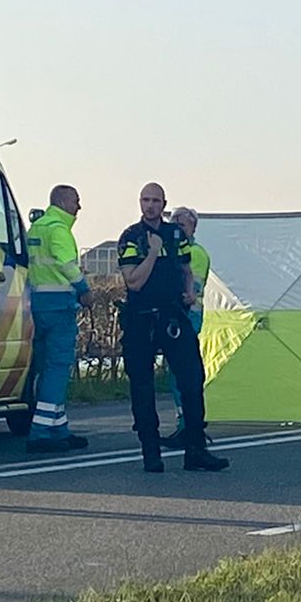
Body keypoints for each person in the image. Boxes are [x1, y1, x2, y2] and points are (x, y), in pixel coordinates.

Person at [118, 183, 228, 473]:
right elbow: (133, 281)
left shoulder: (176, 235)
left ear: (163, 204)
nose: (150, 205)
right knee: (142, 385)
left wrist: (189, 291)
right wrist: (152, 253)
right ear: (139, 203)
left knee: (192, 377)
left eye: (155, 201)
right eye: (145, 200)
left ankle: (196, 450)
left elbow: (185, 269)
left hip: (172, 315)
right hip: (141, 317)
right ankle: (151, 452)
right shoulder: (131, 237)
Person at [23, 185, 91, 453]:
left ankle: (59, 428)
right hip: (60, 307)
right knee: (58, 368)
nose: (79, 207)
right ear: (63, 202)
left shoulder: (37, 228)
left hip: (37, 306)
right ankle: (41, 432)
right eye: (76, 201)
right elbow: (67, 265)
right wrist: (84, 289)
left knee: (45, 368)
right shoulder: (59, 229)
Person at [160, 206, 211, 450]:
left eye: (183, 225)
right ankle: (185, 423)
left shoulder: (195, 253)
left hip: (188, 317)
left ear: (193, 228)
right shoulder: (171, 250)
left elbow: (192, 288)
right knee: (176, 375)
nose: (178, 229)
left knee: (183, 374)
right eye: (175, 224)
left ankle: (189, 427)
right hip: (177, 316)